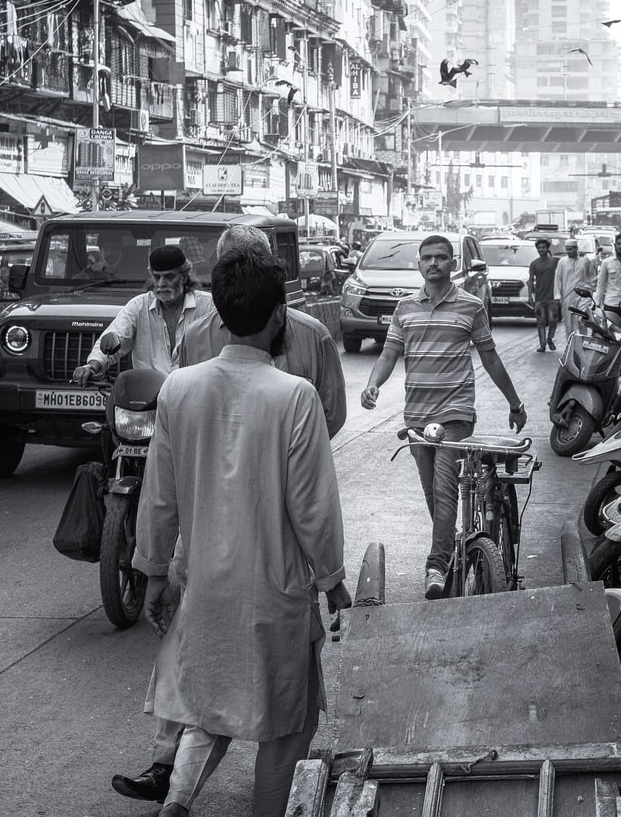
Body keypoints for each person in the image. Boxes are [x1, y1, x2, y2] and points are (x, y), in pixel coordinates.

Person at [130, 239, 348, 817]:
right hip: (273, 589)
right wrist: (333, 579)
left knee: (209, 710)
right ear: (279, 315)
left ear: (221, 315)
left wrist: (151, 573)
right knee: (285, 728)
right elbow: (313, 508)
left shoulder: (179, 389)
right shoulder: (295, 396)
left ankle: (173, 813)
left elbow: (158, 498)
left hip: (203, 582)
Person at [359, 234, 527, 599]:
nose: (433, 263)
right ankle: (451, 545)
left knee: (443, 486)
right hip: (416, 416)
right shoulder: (405, 309)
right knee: (433, 495)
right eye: (427, 258)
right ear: (418, 264)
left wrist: (515, 403)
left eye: (440, 258)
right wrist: (373, 384)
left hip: (455, 413)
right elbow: (389, 354)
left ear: (453, 264)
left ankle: (436, 565)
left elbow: (491, 357)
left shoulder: (470, 306)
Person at [175, 225, 346, 436]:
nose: (245, 275)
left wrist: (287, 453)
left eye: (254, 265)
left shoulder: (314, 336)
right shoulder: (194, 337)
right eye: (234, 266)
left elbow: (331, 415)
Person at [73, 244, 205, 383]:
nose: (161, 284)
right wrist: (91, 367)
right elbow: (117, 334)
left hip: (192, 392)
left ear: (184, 278)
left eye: (169, 277)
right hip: (147, 396)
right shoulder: (138, 306)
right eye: (156, 277)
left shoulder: (207, 306)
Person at [555, 239, 597, 344]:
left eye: (571, 249)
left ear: (576, 249)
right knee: (569, 323)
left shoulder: (585, 261)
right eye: (567, 249)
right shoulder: (562, 262)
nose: (569, 251)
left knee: (582, 320)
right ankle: (571, 345)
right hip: (568, 296)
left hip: (583, 295)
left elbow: (592, 276)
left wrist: (591, 289)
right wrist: (557, 295)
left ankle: (583, 343)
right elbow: (558, 278)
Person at [525, 238, 560, 352]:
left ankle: (550, 338)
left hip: (552, 297)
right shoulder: (534, 264)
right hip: (539, 297)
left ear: (548, 248)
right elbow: (530, 280)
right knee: (540, 322)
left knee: (553, 320)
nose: (541, 249)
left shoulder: (555, 261)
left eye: (543, 247)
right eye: (539, 248)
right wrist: (530, 295)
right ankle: (543, 345)